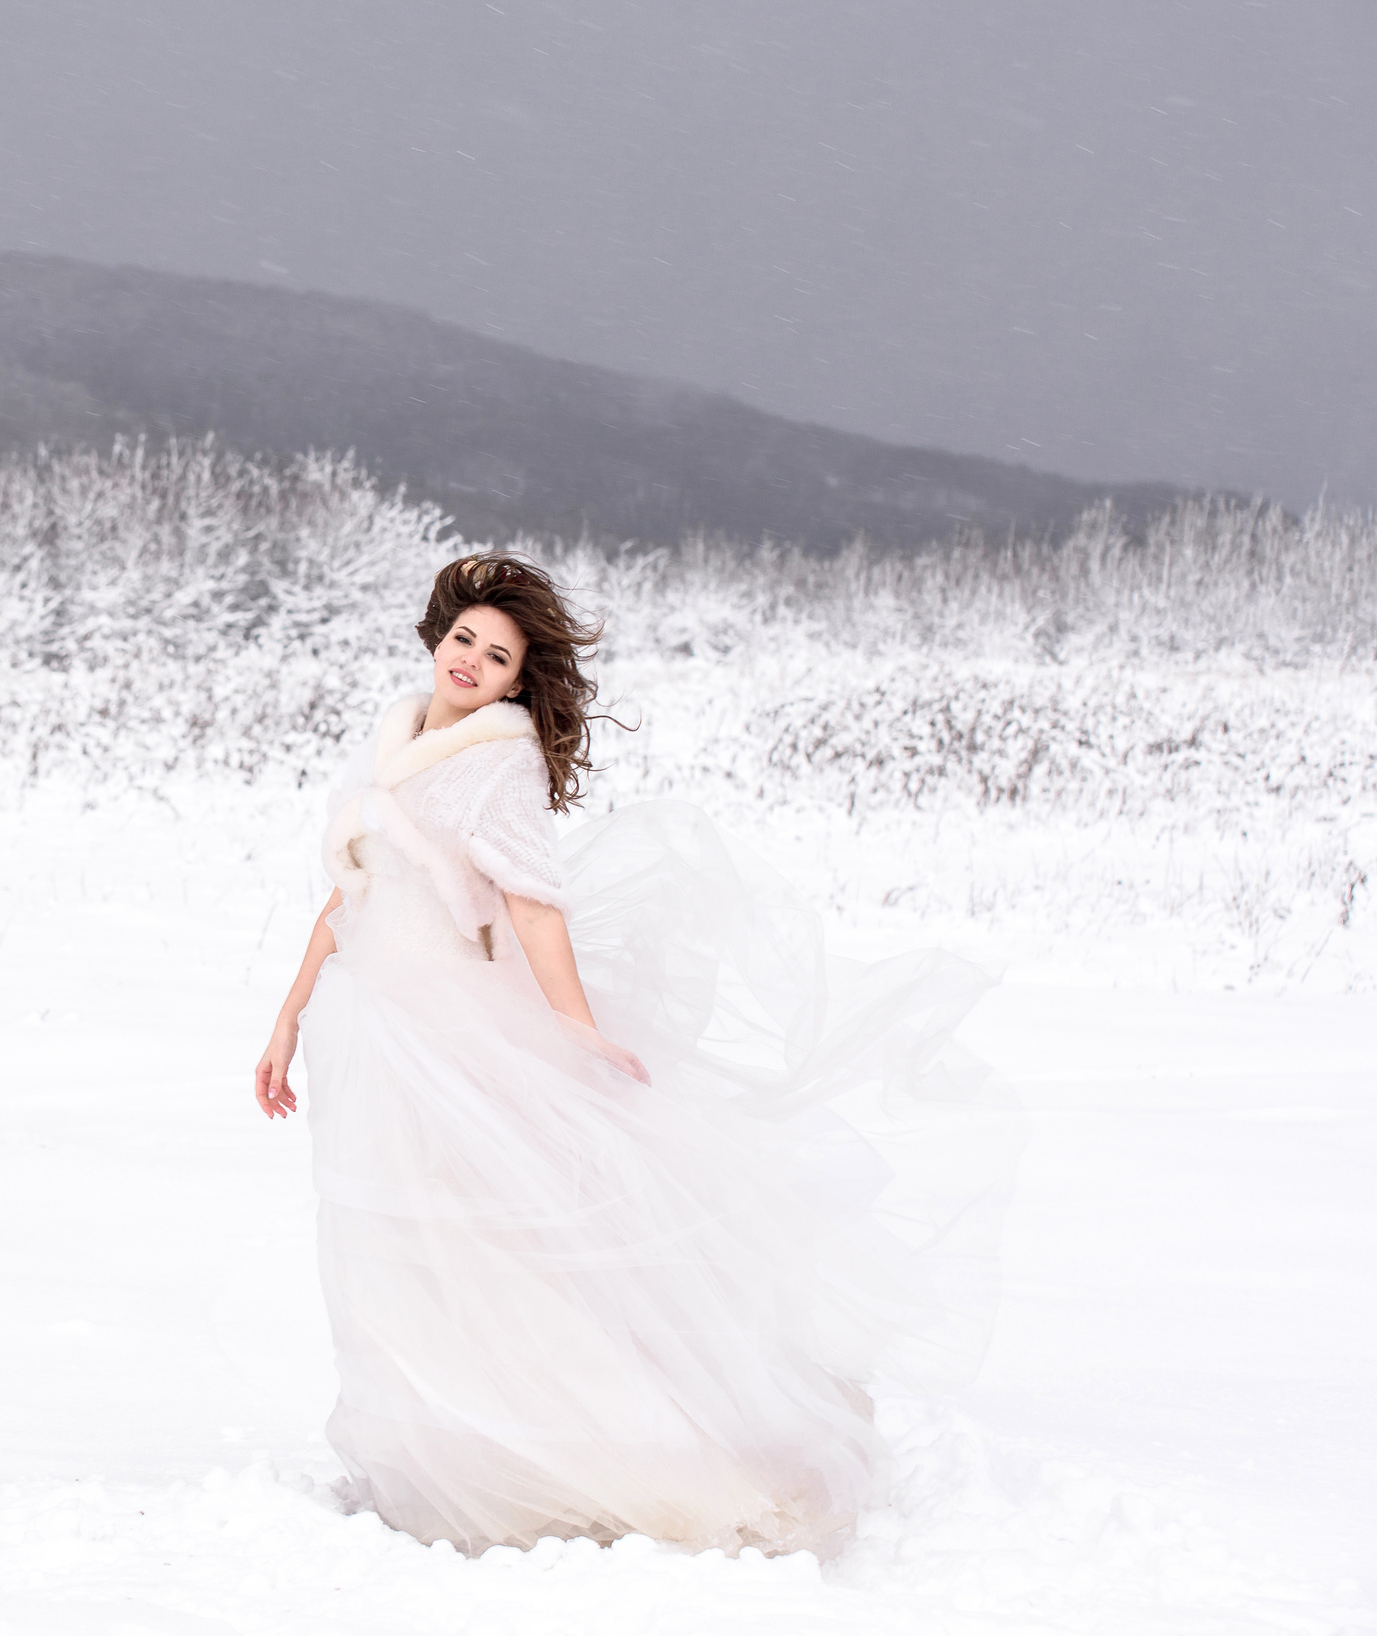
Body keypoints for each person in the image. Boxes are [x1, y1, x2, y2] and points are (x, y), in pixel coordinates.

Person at [251, 552, 1011, 1558]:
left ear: (522, 677)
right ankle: (451, 1456)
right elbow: (348, 893)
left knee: (486, 1249)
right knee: (401, 1257)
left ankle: (615, 1453)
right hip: (374, 1030)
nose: (472, 658)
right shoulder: (397, 733)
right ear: (437, 637)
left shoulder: (496, 763)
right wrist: (289, 1016)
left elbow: (532, 904)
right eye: (464, 638)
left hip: (446, 1031)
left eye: (499, 651)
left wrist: (570, 1026)